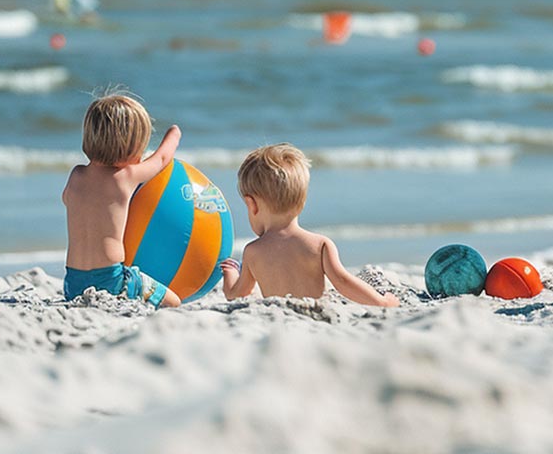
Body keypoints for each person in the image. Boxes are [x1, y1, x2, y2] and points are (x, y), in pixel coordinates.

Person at [220, 144, 399, 307]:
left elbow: (236, 294)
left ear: (252, 205)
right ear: (302, 201)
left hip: (281, 317)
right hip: (314, 313)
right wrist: (382, 301)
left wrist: (230, 271)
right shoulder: (320, 245)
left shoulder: (252, 251)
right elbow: (343, 282)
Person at [61, 93, 182, 308]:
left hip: (73, 283)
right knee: (174, 302)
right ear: (130, 146)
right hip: (113, 281)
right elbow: (162, 159)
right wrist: (174, 134)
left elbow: (67, 200)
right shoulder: (126, 177)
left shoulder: (77, 175)